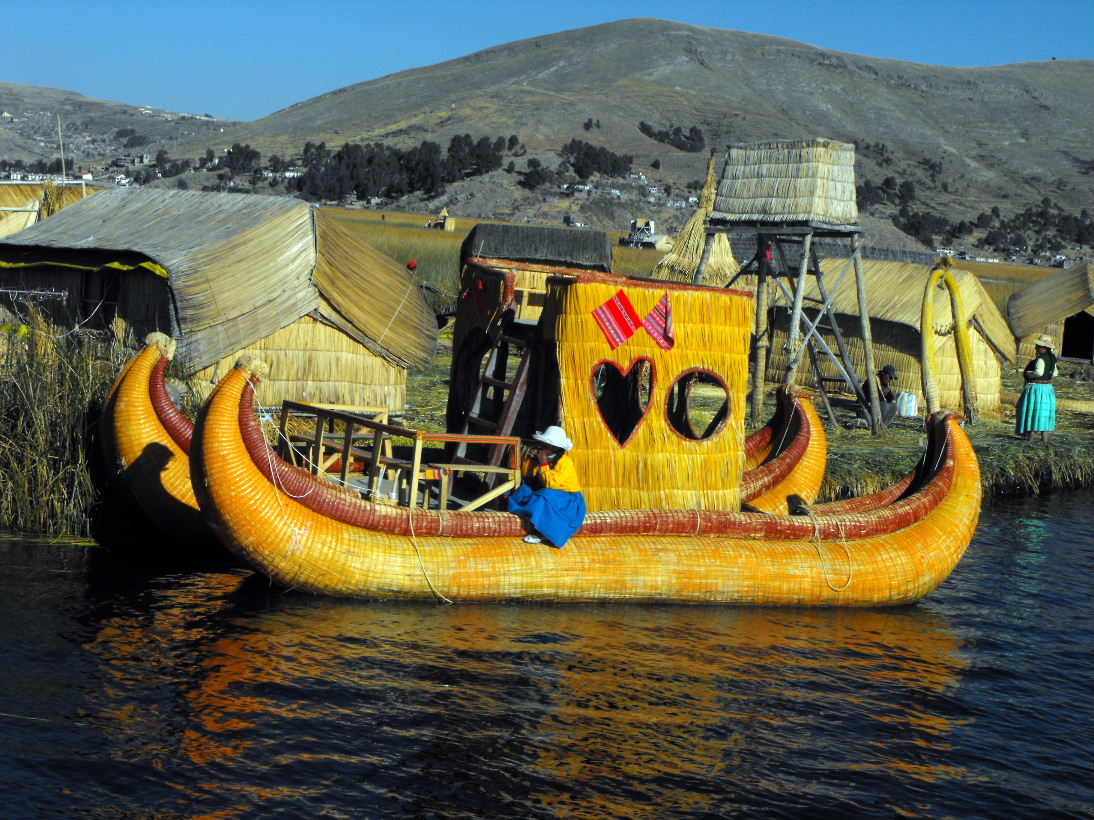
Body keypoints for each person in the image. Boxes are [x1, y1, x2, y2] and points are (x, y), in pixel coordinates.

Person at [507, 425, 586, 547]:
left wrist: (543, 463)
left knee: (544, 496)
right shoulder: (542, 456)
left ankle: (542, 531)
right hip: (550, 493)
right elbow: (527, 474)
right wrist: (531, 459)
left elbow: (551, 485)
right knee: (525, 487)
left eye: (547, 445)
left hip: (567, 499)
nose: (543, 448)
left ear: (556, 448)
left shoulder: (565, 462)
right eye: (543, 444)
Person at [1015, 334, 1058, 442]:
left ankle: (1030, 440)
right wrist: (1047, 377)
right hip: (1048, 389)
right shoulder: (1052, 359)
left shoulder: (1041, 359)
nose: (1036, 348)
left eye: (1038, 346)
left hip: (1037, 389)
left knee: (1033, 412)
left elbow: (1038, 372)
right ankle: (1045, 441)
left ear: (1043, 348)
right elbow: (1055, 373)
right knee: (1045, 413)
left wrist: (1028, 374)